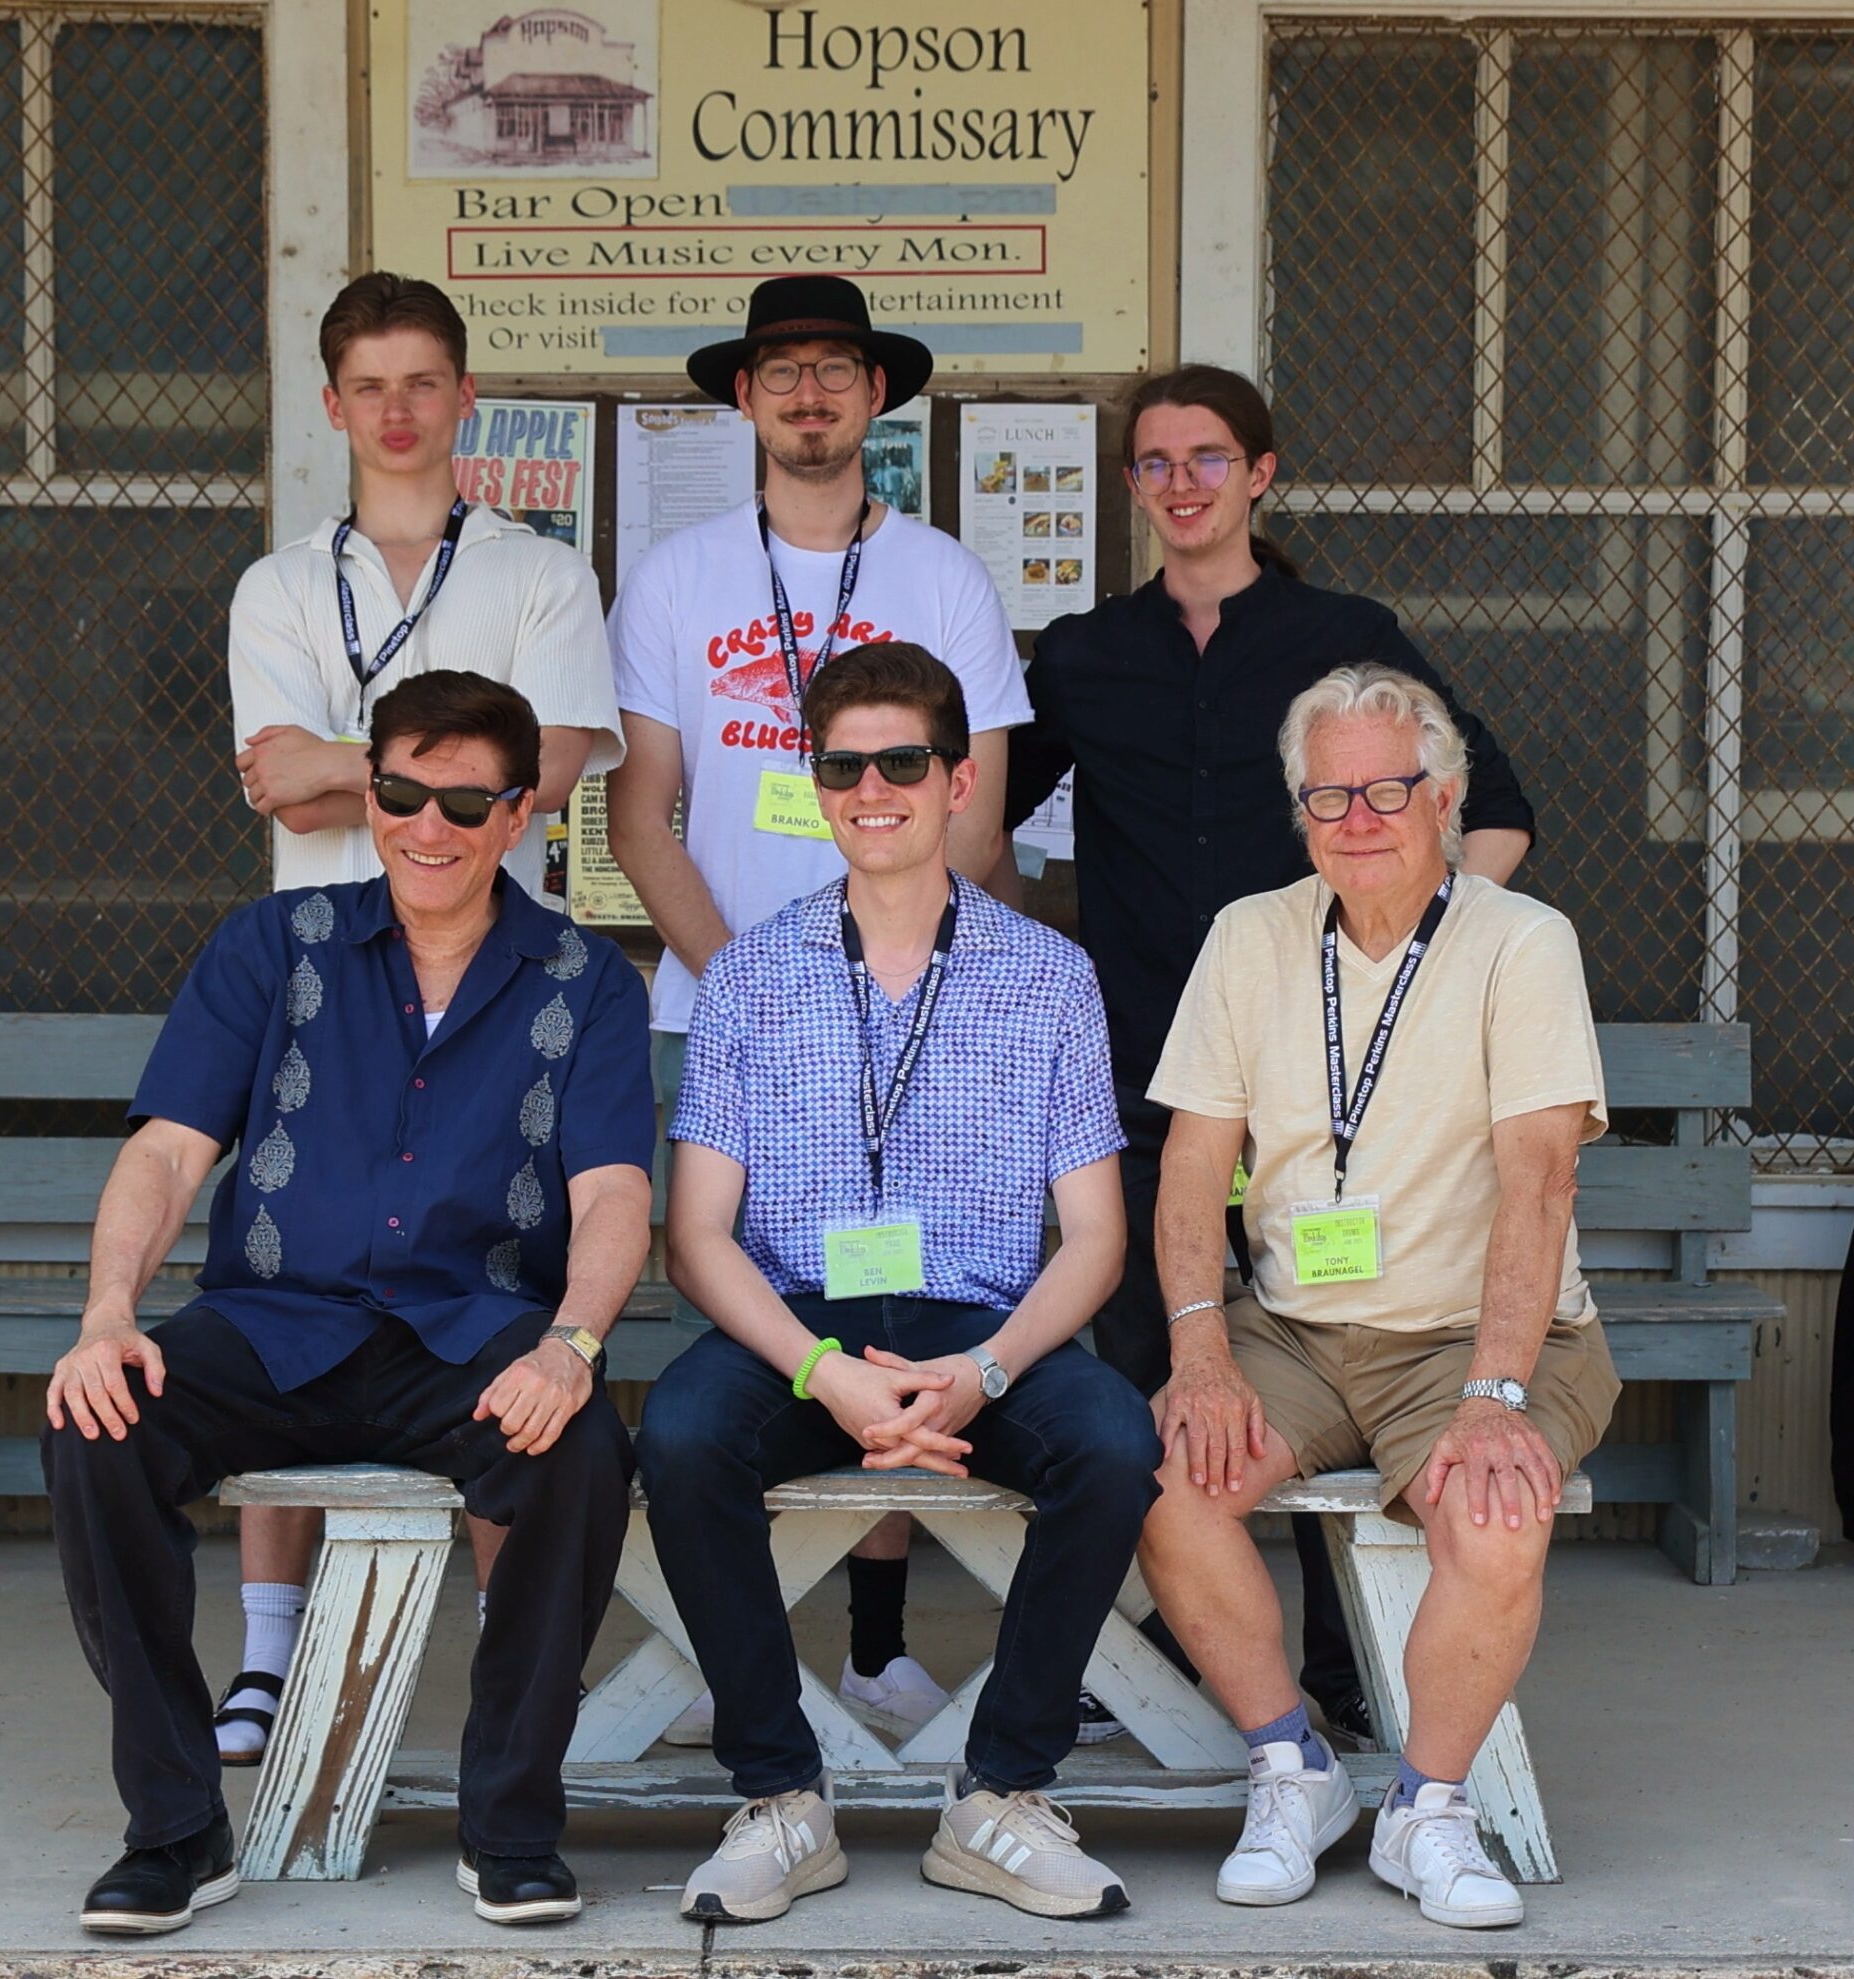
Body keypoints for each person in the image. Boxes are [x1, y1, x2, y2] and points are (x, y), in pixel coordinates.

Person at [42, 672, 653, 1935]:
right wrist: (109, 1314)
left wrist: (571, 1345)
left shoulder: (586, 977)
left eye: (465, 799)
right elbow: (166, 1151)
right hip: (274, 1326)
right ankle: (173, 1824)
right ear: (369, 791)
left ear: (519, 810)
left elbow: (609, 1194)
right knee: (97, 1424)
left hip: (472, 1339)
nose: (428, 825)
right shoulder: (272, 942)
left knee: (579, 1445)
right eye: (401, 791)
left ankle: (510, 1825)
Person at [1004, 364, 1539, 1747]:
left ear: (1262, 473)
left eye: (1208, 457)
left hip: (1315, 1078)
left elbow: (1496, 810)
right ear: (1131, 487)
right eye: (1156, 462)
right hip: (1136, 1064)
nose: (1181, 483)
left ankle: (1344, 1670)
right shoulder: (1079, 653)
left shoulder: (1339, 634)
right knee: (1149, 1368)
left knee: (1312, 1337)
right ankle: (1143, 1649)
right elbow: (971, 828)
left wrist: (1409, 975)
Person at [637, 643, 1161, 1925]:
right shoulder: (750, 973)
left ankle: (997, 1797)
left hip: (978, 1329)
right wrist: (821, 1373)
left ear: (959, 779)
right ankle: (779, 1798)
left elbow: (1092, 1235)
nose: (870, 788)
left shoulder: (1048, 973)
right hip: (796, 1328)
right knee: (682, 1433)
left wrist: (981, 1372)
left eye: (901, 761)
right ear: (815, 784)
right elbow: (697, 1232)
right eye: (841, 765)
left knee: (1109, 1441)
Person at [608, 275, 1031, 1742]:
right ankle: (729, 1654)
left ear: (875, 396)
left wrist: (898, 976)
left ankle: (873, 1640)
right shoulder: (674, 578)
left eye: (833, 369)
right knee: (744, 1325)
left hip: (918, 1007)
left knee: (896, 1293)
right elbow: (642, 816)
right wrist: (759, 993)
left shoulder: (943, 581)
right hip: (720, 998)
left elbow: (977, 824)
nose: (805, 394)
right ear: (741, 400)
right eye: (779, 370)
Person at [1137, 663, 1619, 1928]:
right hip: (1296, 1327)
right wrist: (1198, 1348)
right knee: (1168, 1481)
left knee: (1496, 1509)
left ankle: (1426, 1805)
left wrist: (1496, 1391)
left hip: (1482, 1328)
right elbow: (1191, 1168)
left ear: (1445, 797)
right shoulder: (1248, 935)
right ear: (1297, 809)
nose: (1357, 817)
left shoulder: (1522, 942)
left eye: (1387, 789)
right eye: (1327, 794)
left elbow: (1539, 1180)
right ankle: (1290, 1766)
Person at [218, 271, 625, 1763]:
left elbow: (564, 751)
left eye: (422, 380)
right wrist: (427, 769)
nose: (397, 407)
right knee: (289, 1273)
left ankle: (519, 1671)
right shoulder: (277, 583)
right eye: (368, 383)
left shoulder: (537, 572)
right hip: (325, 968)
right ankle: (265, 1653)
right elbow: (272, 777)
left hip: (488, 974)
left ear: (466, 397)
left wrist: (360, 768)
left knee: (493, 1292)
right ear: (334, 405)